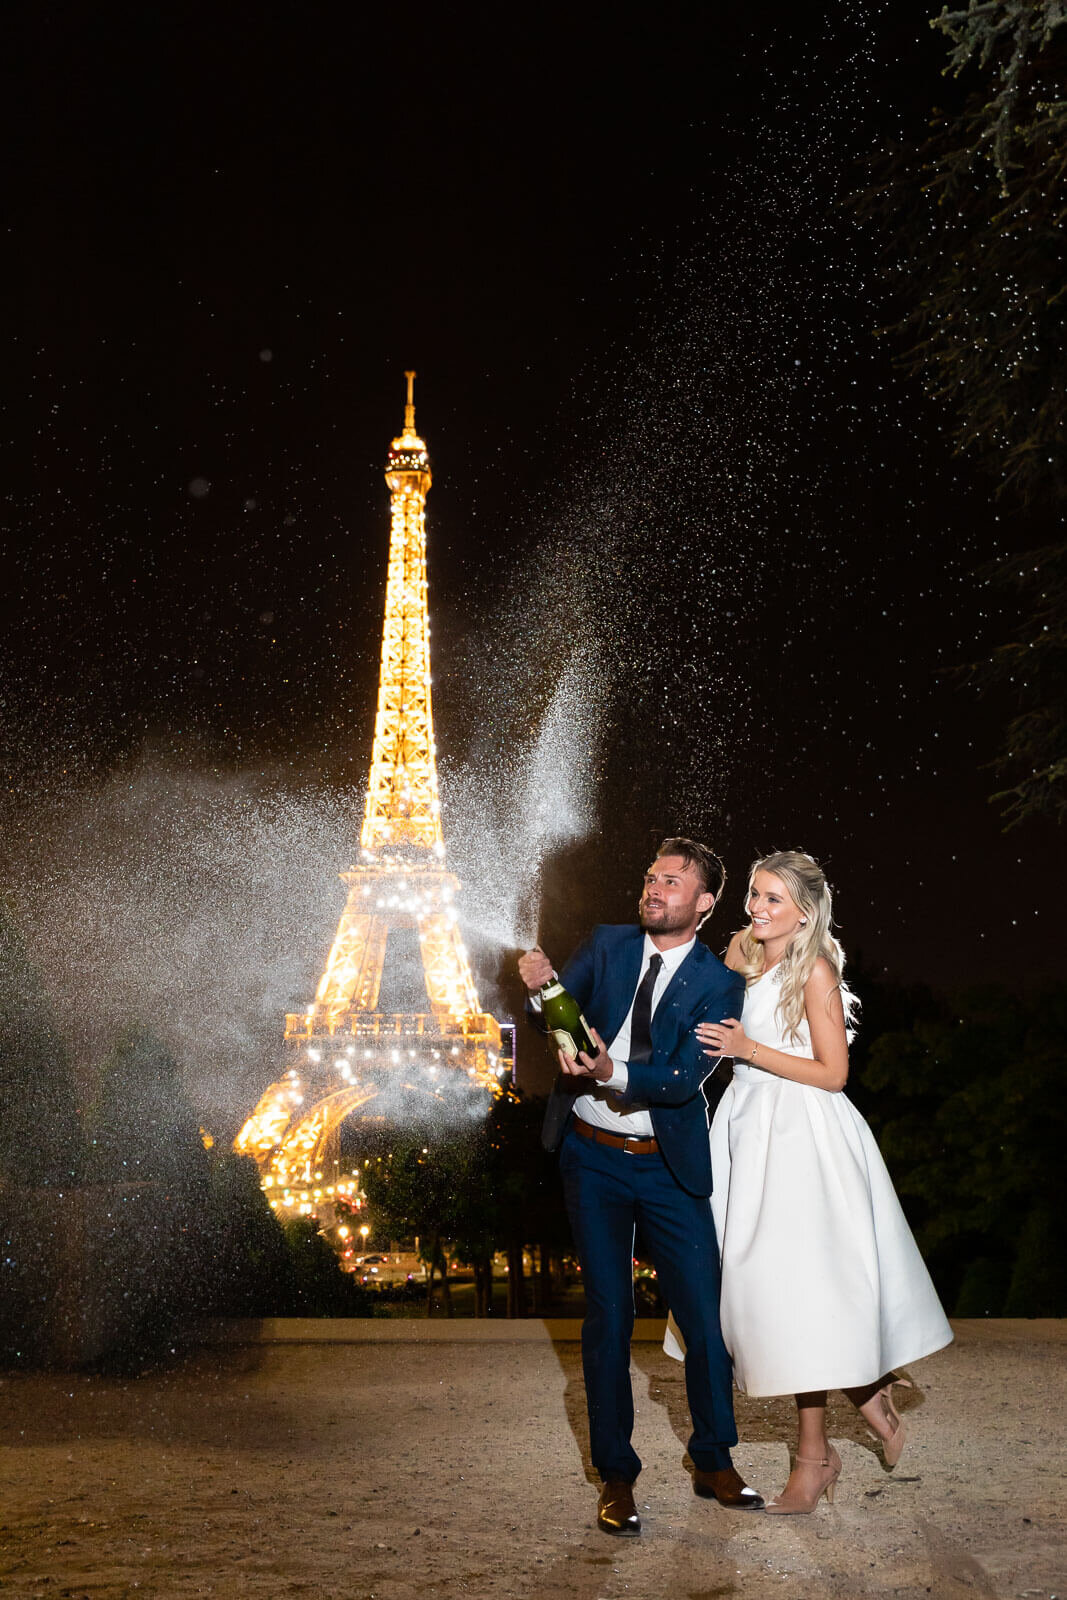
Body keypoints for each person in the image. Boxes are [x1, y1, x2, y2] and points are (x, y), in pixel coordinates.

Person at [666, 850, 953, 1513]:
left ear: (804, 909)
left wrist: (749, 1051)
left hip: (802, 1139)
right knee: (750, 1293)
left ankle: (813, 1460)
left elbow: (833, 1073)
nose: (756, 909)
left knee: (797, 1298)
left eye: (770, 899)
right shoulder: (740, 958)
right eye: (753, 896)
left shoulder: (815, 970)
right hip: (743, 1132)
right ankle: (863, 1390)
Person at [518, 838, 765, 1537]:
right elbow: (552, 1015)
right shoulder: (606, 942)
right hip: (591, 1159)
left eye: (672, 882)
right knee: (608, 1319)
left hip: (666, 1165)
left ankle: (714, 1461)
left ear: (705, 902)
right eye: (651, 876)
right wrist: (540, 985)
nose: (654, 888)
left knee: (702, 1318)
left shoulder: (719, 984)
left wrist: (609, 1072)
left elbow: (684, 1078)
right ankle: (616, 1476)